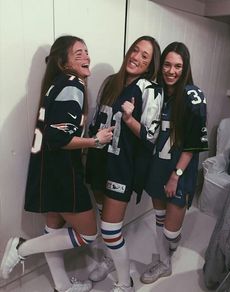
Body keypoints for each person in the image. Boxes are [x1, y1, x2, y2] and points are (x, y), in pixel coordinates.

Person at [0, 35, 114, 292]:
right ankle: (22, 247)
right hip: (62, 171)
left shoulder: (55, 84)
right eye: (78, 54)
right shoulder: (73, 84)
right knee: (87, 234)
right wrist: (95, 140)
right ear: (64, 62)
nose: (86, 57)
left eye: (87, 51)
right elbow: (58, 137)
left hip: (46, 169)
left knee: (53, 230)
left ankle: (62, 286)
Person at [85, 35, 163, 292]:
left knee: (109, 228)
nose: (137, 57)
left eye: (145, 56)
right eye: (135, 50)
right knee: (101, 215)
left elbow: (151, 136)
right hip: (98, 160)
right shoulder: (111, 81)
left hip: (122, 165)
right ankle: (109, 259)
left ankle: (124, 282)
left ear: (151, 64)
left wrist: (130, 119)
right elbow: (97, 119)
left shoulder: (151, 89)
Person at [139, 41, 208, 284]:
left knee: (170, 230)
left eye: (178, 66)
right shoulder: (155, 92)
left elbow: (192, 145)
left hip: (178, 171)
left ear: (185, 67)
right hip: (157, 167)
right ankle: (164, 264)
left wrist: (175, 174)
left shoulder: (193, 96)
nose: (171, 71)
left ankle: (170, 246)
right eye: (167, 65)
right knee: (159, 218)